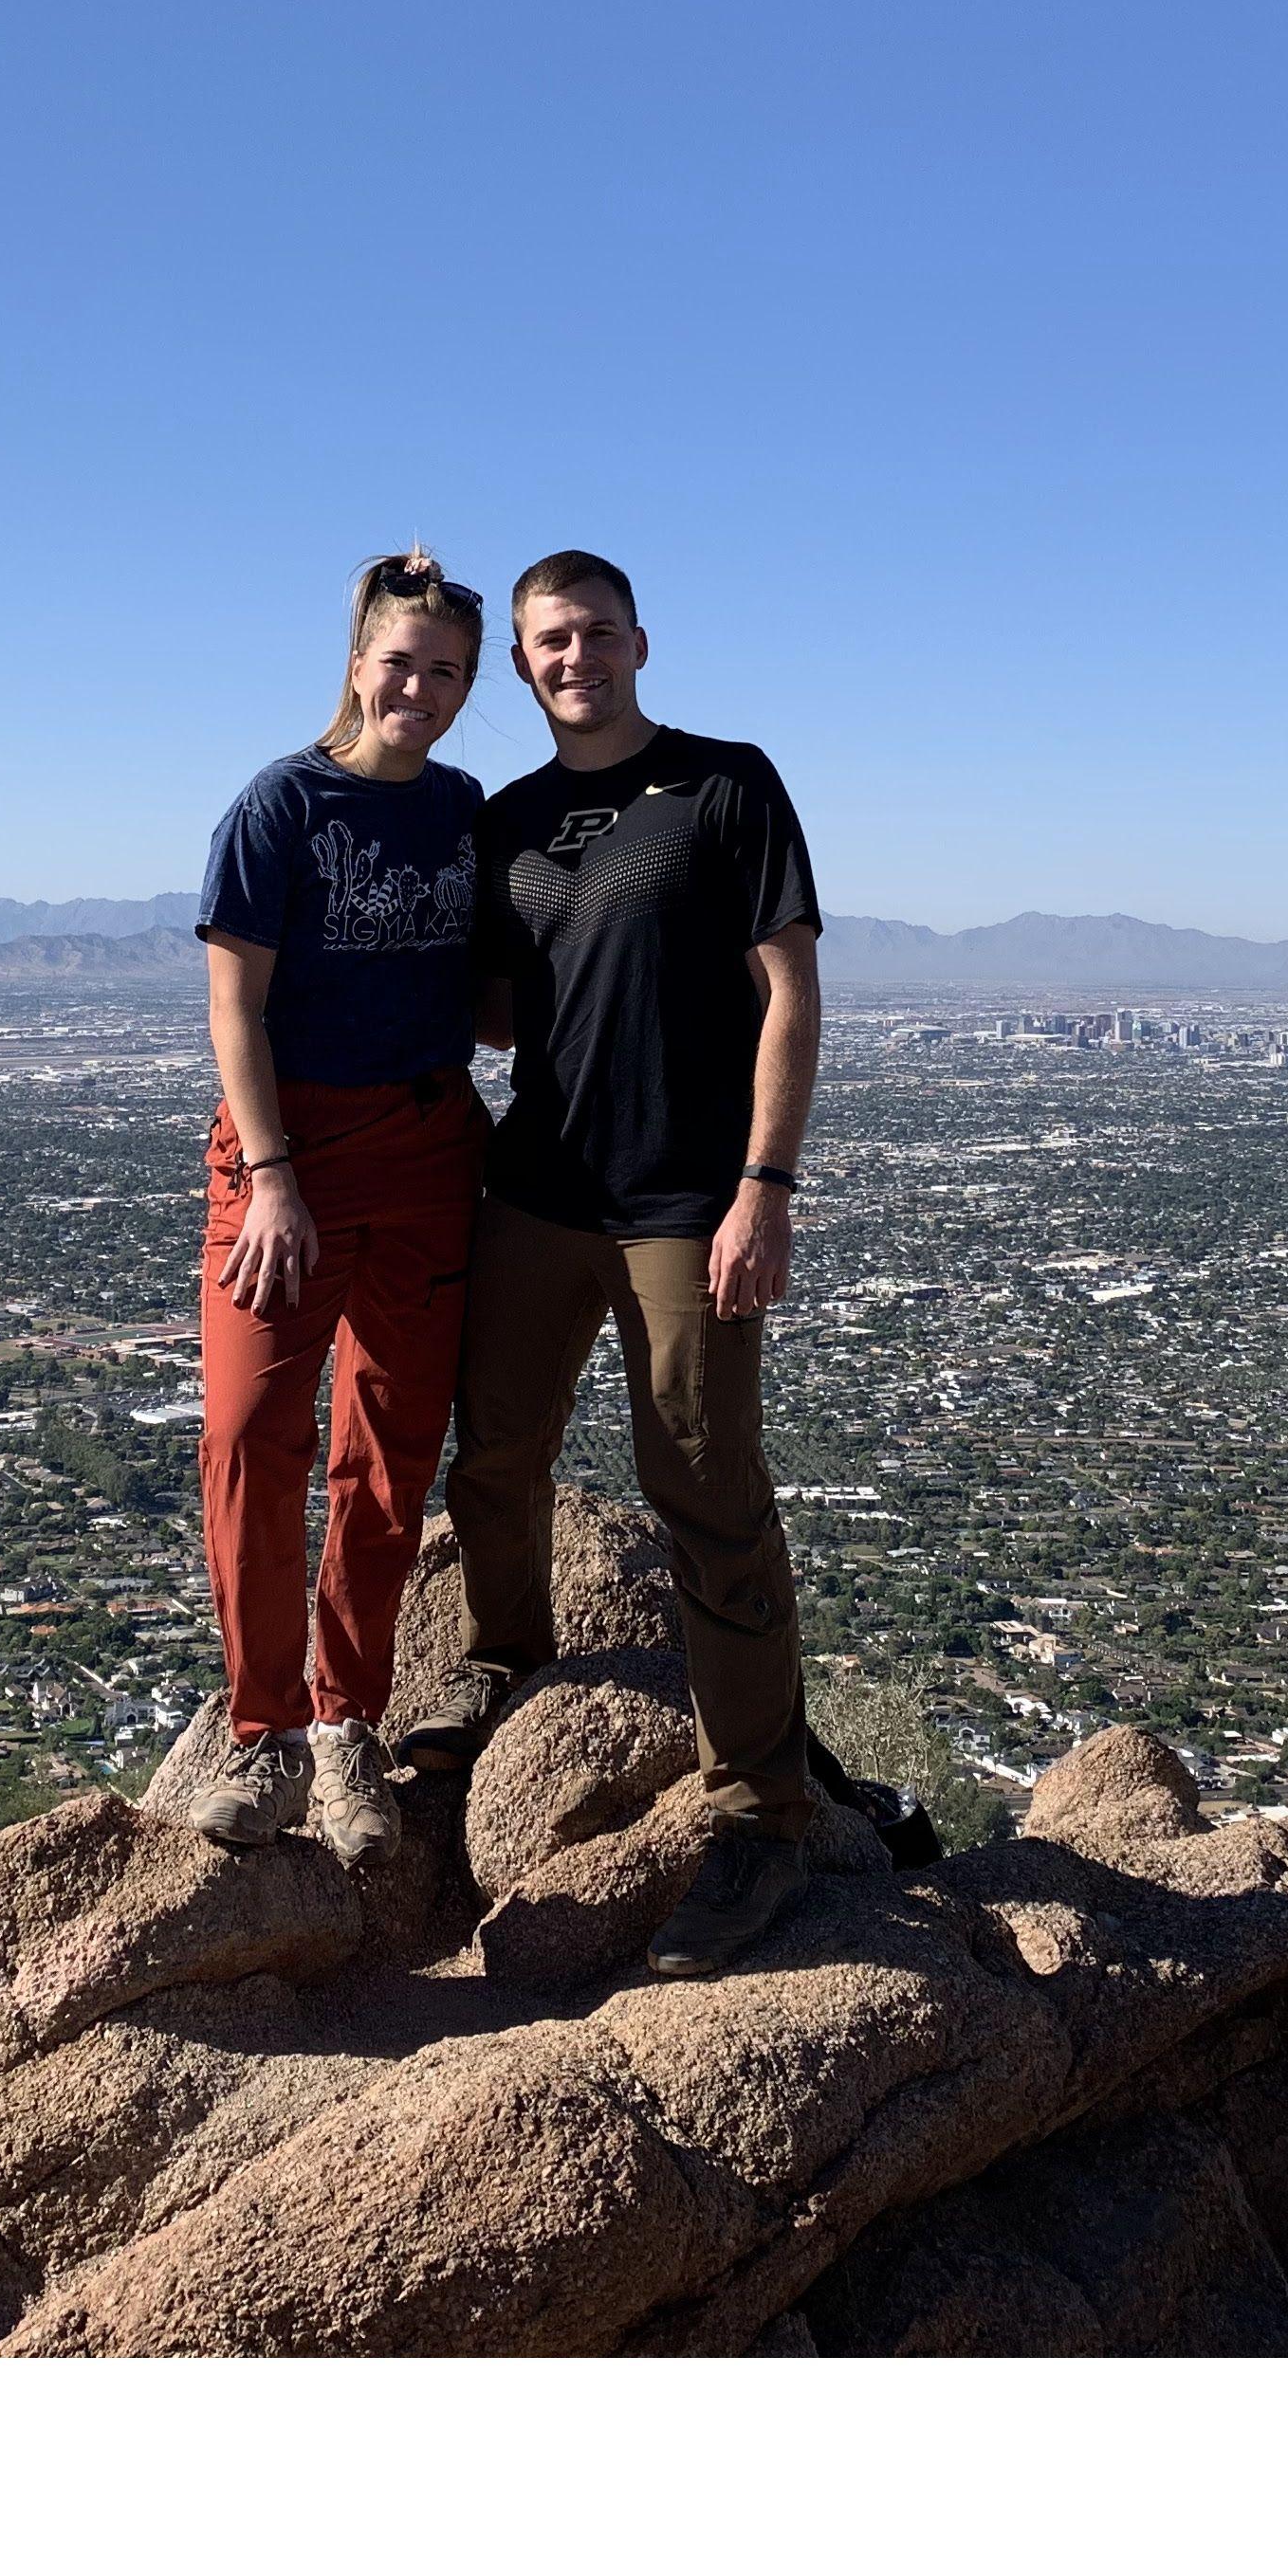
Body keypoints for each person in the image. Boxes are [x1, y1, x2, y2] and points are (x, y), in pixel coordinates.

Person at [399, 548, 827, 1975]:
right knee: (493, 1457)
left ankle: (761, 1808)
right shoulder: (509, 818)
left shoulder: (724, 785)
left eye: (591, 634)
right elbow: (508, 1021)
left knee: (705, 1488)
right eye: (543, 643)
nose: (569, 657)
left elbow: (790, 993)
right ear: (516, 666)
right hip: (536, 1187)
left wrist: (764, 1184)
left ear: (640, 642)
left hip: (682, 1199)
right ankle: (510, 1662)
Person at [185, 550, 490, 1859]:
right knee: (255, 1435)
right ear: (357, 661)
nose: (419, 687)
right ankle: (260, 1736)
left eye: (447, 673)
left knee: (389, 1453)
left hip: (427, 1149)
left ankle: (343, 1727)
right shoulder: (281, 805)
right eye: (401, 662)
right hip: (286, 1156)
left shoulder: (467, 809)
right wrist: (270, 1177)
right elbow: (233, 1006)